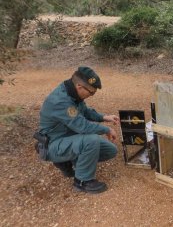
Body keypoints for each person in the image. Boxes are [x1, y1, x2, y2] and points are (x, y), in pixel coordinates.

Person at [38, 66, 119, 194]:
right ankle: (82, 181)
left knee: (110, 150)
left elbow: (84, 111)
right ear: (80, 87)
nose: (92, 95)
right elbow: (83, 126)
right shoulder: (60, 101)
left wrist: (104, 117)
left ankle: (70, 161)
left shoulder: (73, 93)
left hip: (68, 138)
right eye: (91, 92)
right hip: (52, 144)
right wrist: (106, 129)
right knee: (91, 140)